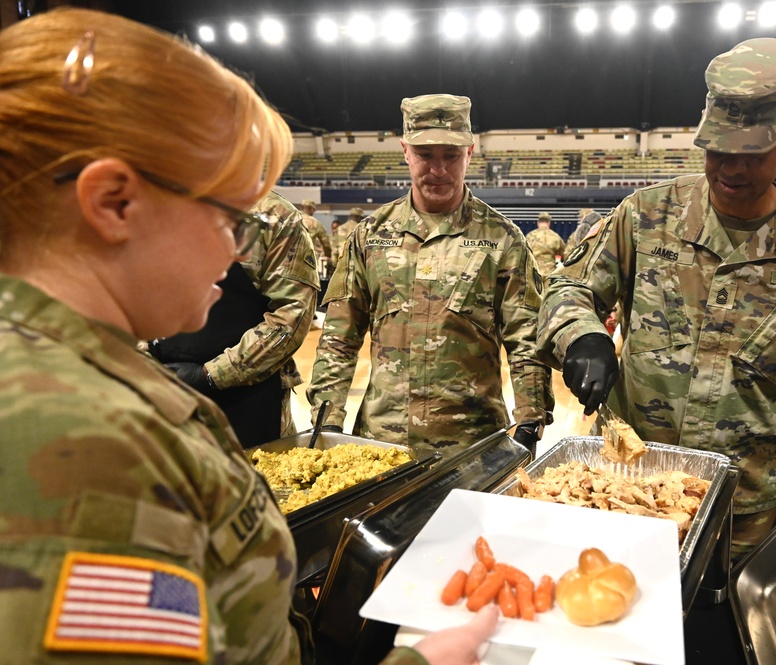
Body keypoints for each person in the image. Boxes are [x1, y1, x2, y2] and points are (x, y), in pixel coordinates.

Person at [0, 9, 496, 664]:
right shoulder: (84, 444)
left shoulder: (79, 386)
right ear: (116, 202)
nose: (236, 250)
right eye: (229, 215)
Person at [536, 38, 776, 560]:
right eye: (717, 150)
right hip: (621, 486)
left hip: (741, 512)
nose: (731, 169)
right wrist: (583, 334)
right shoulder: (645, 216)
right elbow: (566, 287)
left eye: (751, 153)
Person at [308, 94, 554, 457]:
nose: (438, 170)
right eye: (425, 155)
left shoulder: (503, 239)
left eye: (451, 156)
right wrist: (326, 421)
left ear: (469, 154)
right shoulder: (370, 235)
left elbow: (526, 340)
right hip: (381, 444)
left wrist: (530, 422)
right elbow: (339, 337)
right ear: (405, 151)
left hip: (474, 445)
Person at [149, 190, 320, 448]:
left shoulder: (273, 215)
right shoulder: (148, 202)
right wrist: (144, 364)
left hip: (248, 399)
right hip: (160, 393)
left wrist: (210, 375)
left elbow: (291, 315)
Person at [526, 211, 566, 278]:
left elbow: (524, 254)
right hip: (550, 273)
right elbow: (564, 254)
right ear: (549, 223)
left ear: (538, 223)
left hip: (534, 272)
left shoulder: (530, 236)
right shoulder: (555, 236)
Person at [301, 198, 334, 278]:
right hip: (308, 259)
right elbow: (326, 243)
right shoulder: (316, 223)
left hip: (290, 258)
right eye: (313, 209)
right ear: (310, 209)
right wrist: (328, 254)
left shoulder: (292, 219)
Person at [327, 205, 364, 274]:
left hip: (341, 264)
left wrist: (335, 265)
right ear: (359, 217)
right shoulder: (361, 229)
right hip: (356, 266)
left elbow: (334, 249)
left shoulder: (339, 228)